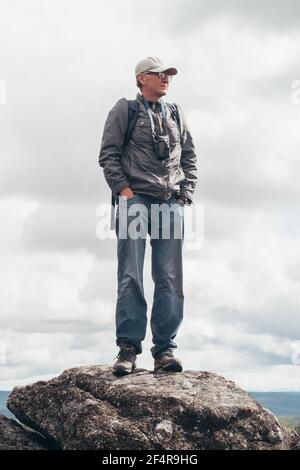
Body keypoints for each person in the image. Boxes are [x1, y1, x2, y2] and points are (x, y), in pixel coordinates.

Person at [98, 56, 198, 375]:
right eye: (159, 74)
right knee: (131, 274)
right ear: (142, 78)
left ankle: (165, 351)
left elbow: (190, 156)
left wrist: (185, 194)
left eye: (169, 74)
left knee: (170, 277)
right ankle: (128, 349)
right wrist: (125, 192)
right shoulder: (124, 109)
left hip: (170, 201)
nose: (166, 78)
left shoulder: (176, 112)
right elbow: (108, 155)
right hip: (135, 198)